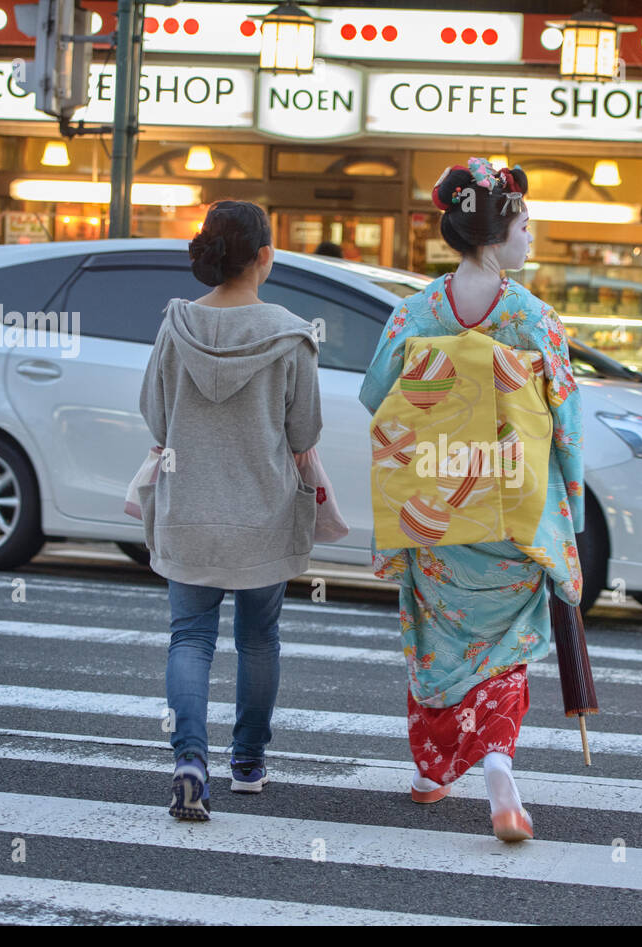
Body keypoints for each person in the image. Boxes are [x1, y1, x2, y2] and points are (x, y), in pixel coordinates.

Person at [359, 158, 585, 842]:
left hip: (434, 512)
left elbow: (375, 397)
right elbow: (566, 425)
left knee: (437, 640)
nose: (529, 237)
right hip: (510, 513)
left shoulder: (413, 313)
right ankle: (497, 764)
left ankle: (432, 771)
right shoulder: (534, 319)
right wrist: (562, 509)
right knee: (505, 647)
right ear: (497, 232)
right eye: (524, 224)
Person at [138, 200, 322, 821]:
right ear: (264, 255)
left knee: (190, 638)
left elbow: (156, 417)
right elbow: (303, 435)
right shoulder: (292, 334)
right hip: (262, 513)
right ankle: (248, 762)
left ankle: (190, 760)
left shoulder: (176, 325)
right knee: (259, 638)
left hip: (187, 506)